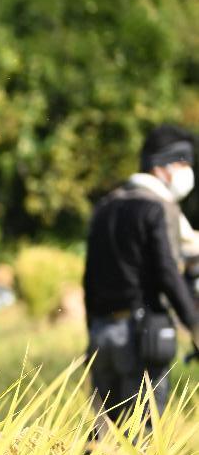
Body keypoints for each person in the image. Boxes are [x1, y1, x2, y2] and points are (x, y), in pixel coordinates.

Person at [83, 122, 199, 430]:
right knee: (142, 436)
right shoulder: (157, 208)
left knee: (103, 436)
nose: (188, 171)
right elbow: (167, 272)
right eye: (183, 163)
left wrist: (91, 330)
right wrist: (194, 323)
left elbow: (89, 278)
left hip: (100, 334)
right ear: (162, 166)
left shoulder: (105, 206)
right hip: (139, 335)